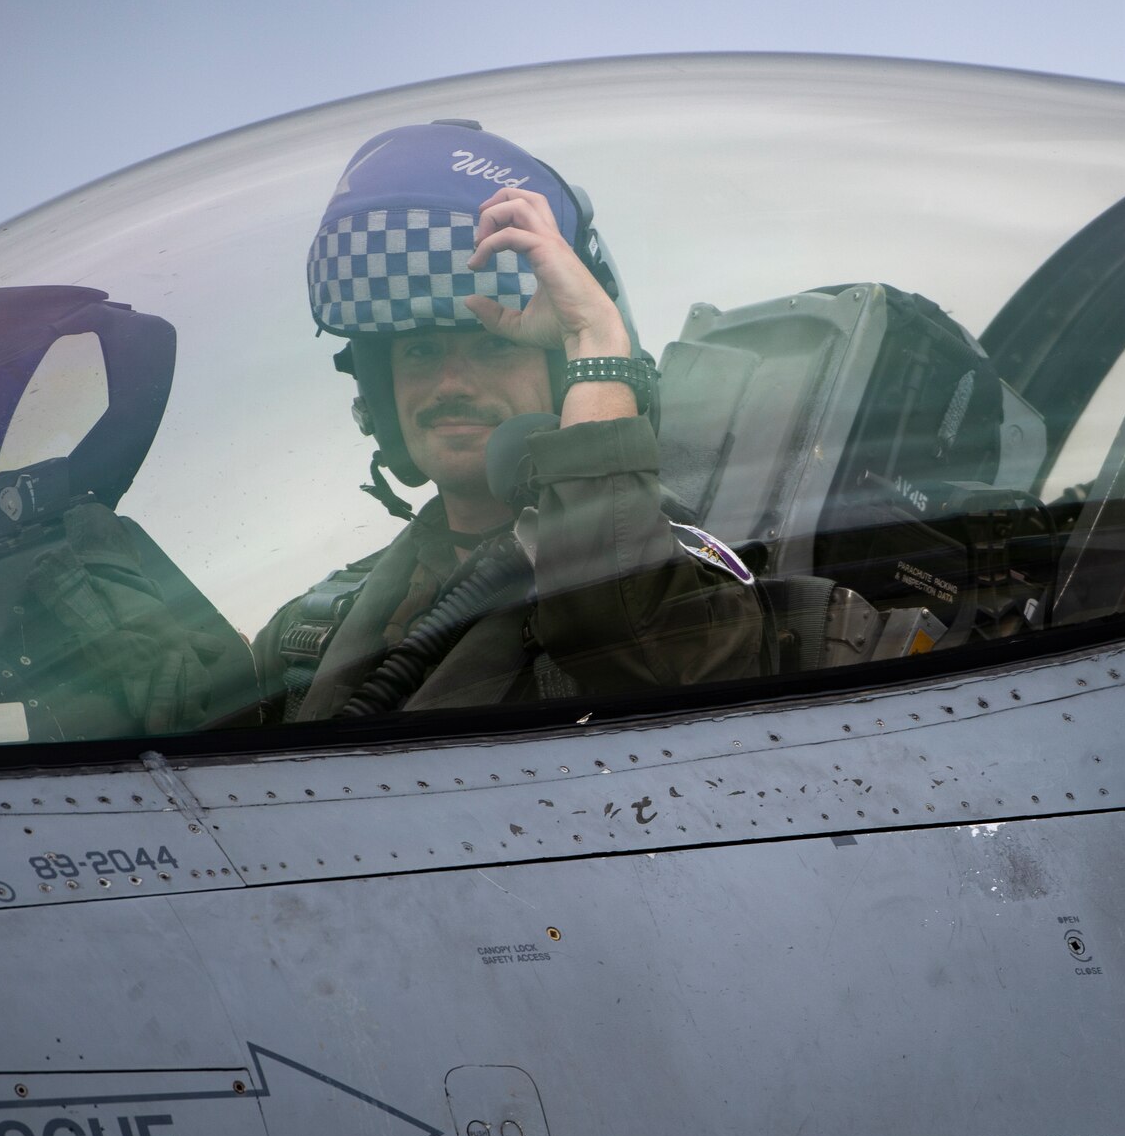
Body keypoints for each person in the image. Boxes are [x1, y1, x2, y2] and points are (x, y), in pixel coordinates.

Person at [254, 121, 769, 721]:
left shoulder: (683, 596)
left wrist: (594, 337)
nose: (451, 384)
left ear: (565, 375)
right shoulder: (305, 633)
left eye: (494, 346)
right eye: (420, 352)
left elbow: (639, 646)